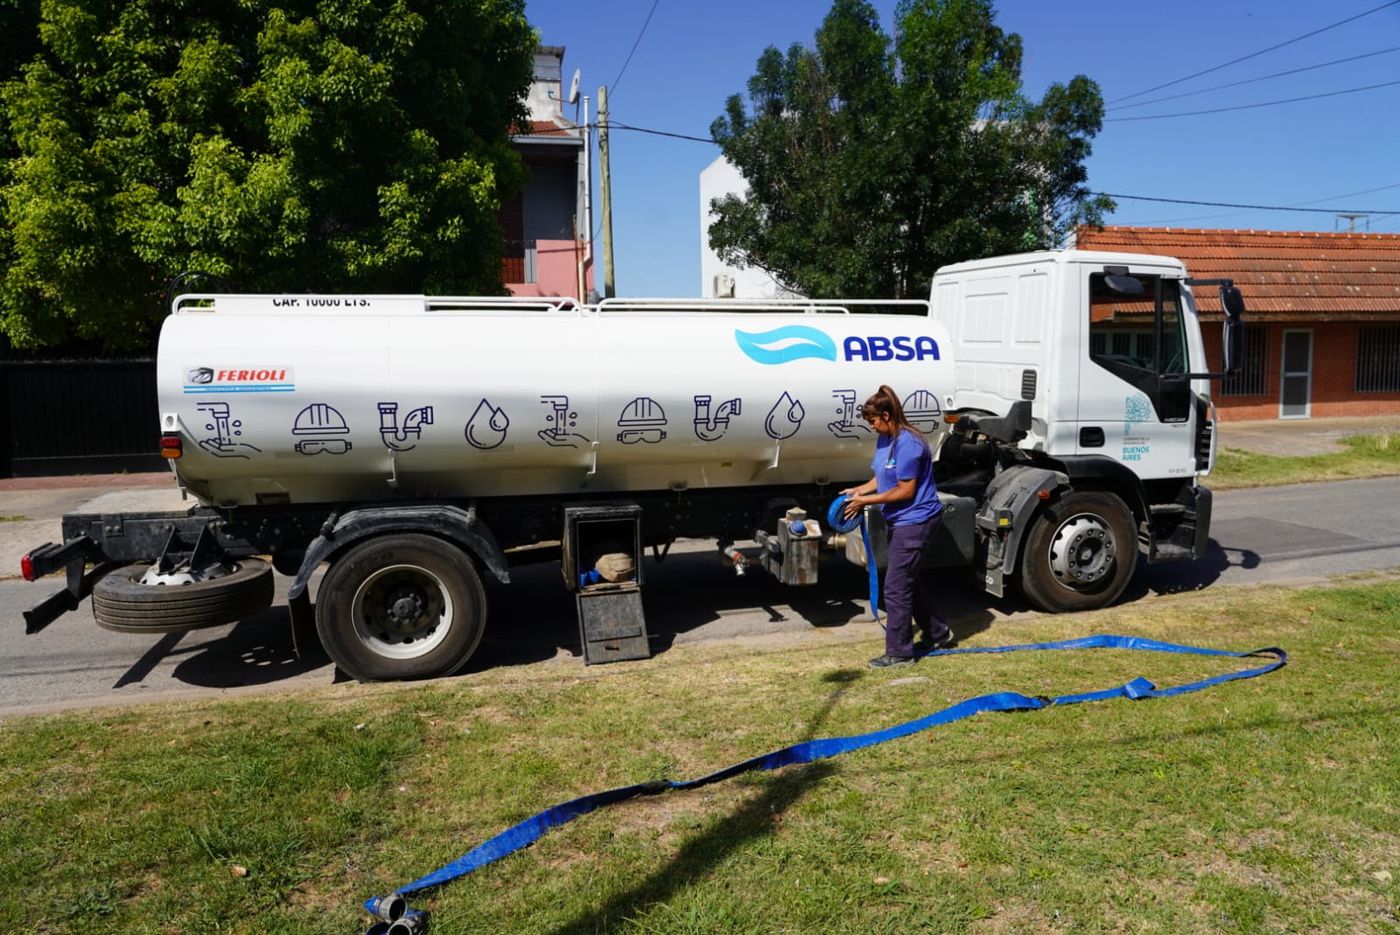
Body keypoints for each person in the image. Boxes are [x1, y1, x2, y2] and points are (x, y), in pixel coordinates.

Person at [841, 385, 953, 668]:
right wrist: (859, 489)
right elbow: (882, 477)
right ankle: (939, 633)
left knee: (895, 587)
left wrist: (865, 501)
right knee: (906, 581)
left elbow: (905, 491)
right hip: (900, 520)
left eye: (874, 421)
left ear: (888, 415)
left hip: (916, 521)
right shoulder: (885, 438)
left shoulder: (910, 444)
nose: (872, 426)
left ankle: (900, 653)